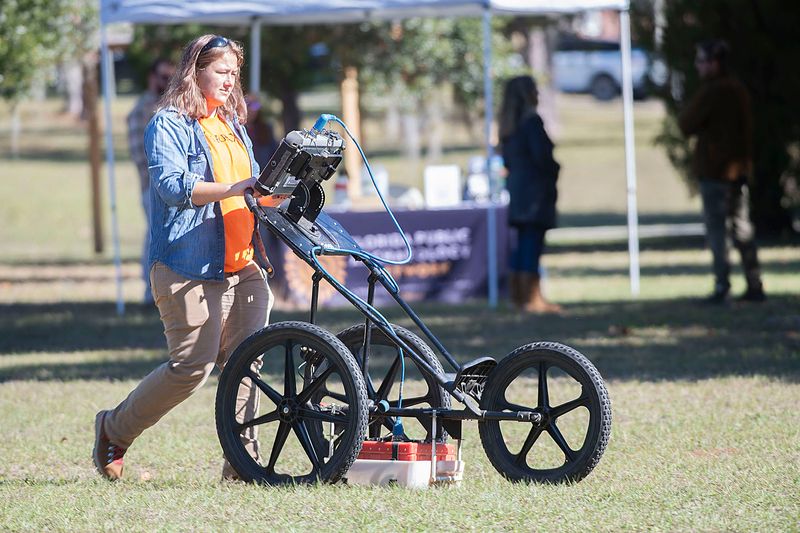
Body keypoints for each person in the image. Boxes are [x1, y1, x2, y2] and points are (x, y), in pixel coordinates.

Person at [93, 34, 287, 481]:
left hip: (244, 265)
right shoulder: (168, 124)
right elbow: (172, 187)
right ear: (195, 72)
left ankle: (242, 464)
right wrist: (234, 189)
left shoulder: (231, 123)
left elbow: (249, 188)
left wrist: (273, 193)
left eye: (234, 73)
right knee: (191, 368)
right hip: (187, 265)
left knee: (246, 363)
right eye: (222, 72)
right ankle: (113, 429)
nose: (230, 80)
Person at [679, 39, 766, 304]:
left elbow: (686, 124)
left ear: (714, 63)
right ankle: (754, 283)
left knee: (717, 231)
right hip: (737, 172)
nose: (698, 66)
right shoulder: (738, 90)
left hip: (716, 174)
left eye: (702, 61)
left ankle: (722, 284)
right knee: (742, 228)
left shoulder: (714, 91)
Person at [499, 75, 561, 314]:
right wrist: (555, 170)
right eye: (535, 90)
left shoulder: (508, 128)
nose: (539, 94)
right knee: (531, 244)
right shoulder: (531, 123)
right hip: (535, 193)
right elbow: (543, 158)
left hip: (518, 192)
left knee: (523, 244)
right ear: (527, 95)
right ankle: (532, 299)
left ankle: (518, 297)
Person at [127, 58, 176, 304]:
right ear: (151, 78)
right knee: (155, 240)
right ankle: (149, 293)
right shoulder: (142, 110)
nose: (168, 83)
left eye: (172, 78)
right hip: (152, 189)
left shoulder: (171, 108)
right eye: (164, 78)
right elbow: (140, 156)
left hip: (170, 191)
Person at [244, 94, 279, 171]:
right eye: (249, 105)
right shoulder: (237, 129)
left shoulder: (266, 128)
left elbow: (275, 151)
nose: (253, 110)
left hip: (264, 171)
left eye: (256, 106)